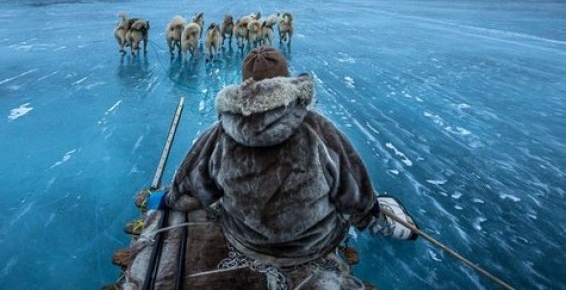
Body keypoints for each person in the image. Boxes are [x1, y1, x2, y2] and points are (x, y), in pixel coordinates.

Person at [152, 46, 417, 286]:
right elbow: (354, 192)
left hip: (246, 241)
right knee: (351, 200)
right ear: (287, 79)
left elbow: (191, 190)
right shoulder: (318, 129)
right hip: (311, 245)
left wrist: (170, 199)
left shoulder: (220, 134)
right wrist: (368, 211)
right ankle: (386, 223)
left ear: (245, 84)